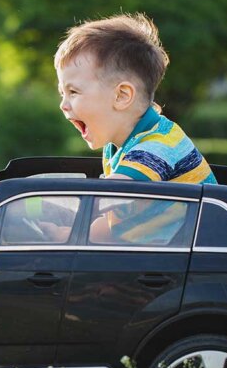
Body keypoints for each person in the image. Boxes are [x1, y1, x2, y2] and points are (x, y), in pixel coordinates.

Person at [54, 13, 216, 243]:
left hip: (195, 263)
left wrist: (40, 203)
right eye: (62, 93)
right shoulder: (119, 147)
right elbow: (118, 222)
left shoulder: (157, 147)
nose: (63, 104)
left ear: (121, 96)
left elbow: (104, 198)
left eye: (73, 92)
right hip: (164, 259)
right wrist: (64, 232)